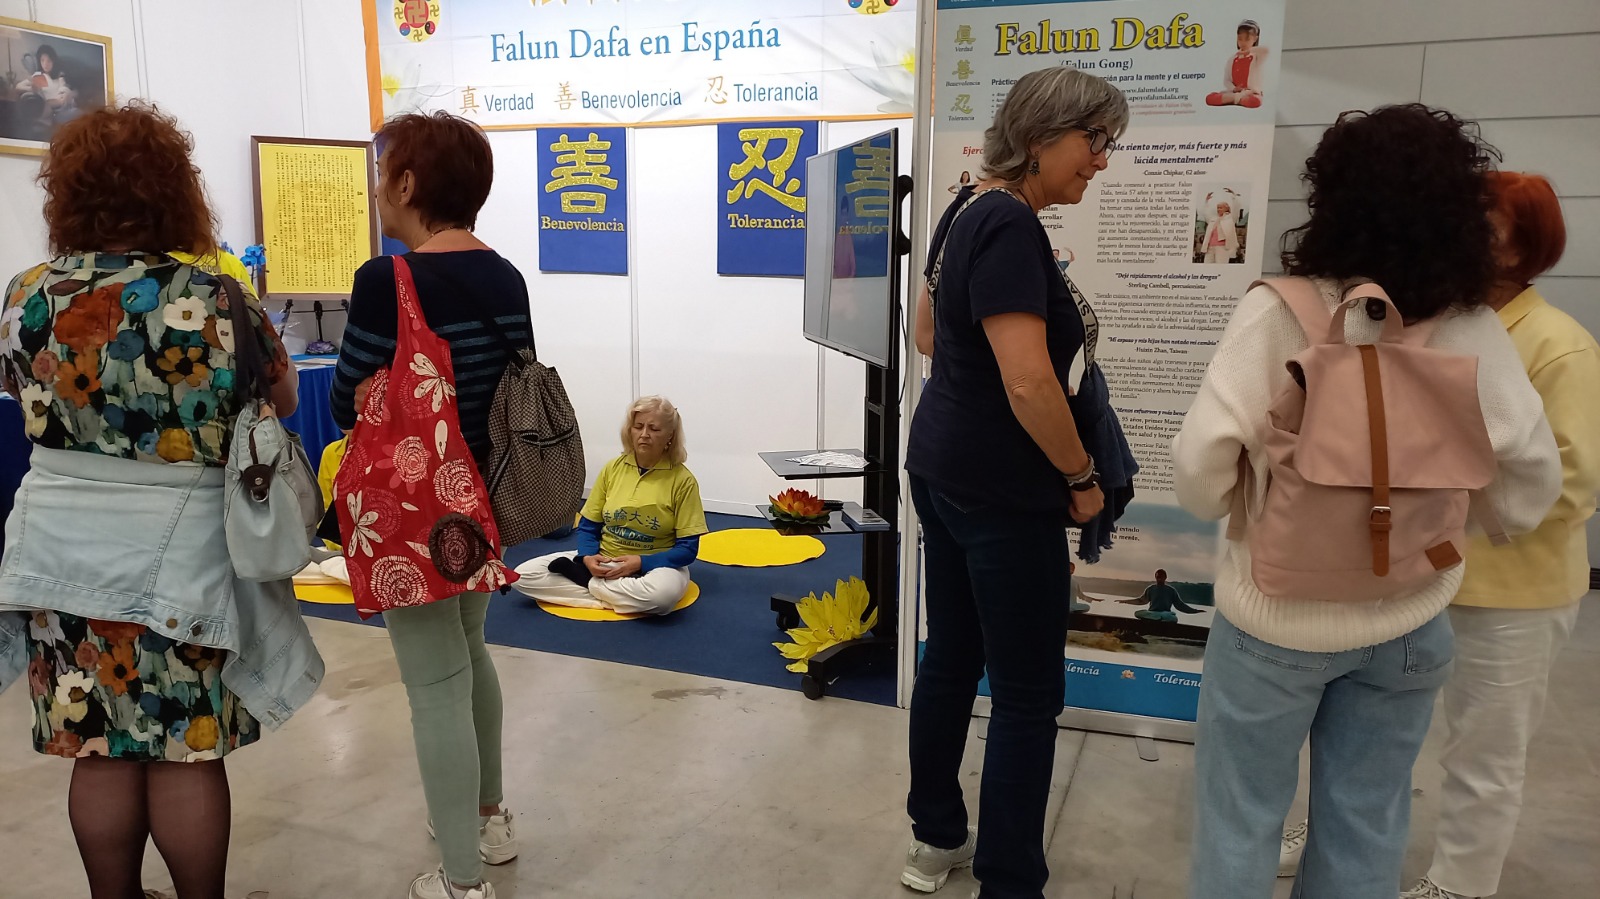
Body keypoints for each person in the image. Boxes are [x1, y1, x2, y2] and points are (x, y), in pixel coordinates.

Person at [1173, 105, 1561, 899]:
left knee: (1239, 822)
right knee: (1366, 823)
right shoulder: (1473, 328)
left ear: (1332, 197)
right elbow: (1531, 482)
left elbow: (1199, 473)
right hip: (1410, 618)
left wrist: (1242, 499)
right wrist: (1453, 516)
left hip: (1275, 621)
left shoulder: (1280, 312)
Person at [0, 101, 321, 899]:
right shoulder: (217, 298)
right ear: (174, 191)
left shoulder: (26, 295)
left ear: (68, 194)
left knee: (97, 744)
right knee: (185, 748)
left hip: (59, 555)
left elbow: (21, 394)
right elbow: (281, 400)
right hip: (185, 560)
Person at [1275, 174, 1600, 898]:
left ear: (1522, 245)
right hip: (1413, 576)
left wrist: (1442, 504)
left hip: (1510, 592)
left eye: (1486, 220)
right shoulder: (1439, 319)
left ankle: (1462, 881)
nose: (1462, 228)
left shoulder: (1559, 344)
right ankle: (1327, 834)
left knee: (1485, 747)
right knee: (1362, 733)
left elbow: (1573, 480)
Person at [903, 66, 1125, 899]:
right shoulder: (1009, 225)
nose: (1100, 160)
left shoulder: (965, 205)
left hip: (942, 467)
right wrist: (1082, 475)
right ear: (1040, 138)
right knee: (1028, 694)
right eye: (1093, 141)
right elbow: (1030, 381)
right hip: (1001, 490)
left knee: (952, 656)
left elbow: (929, 334)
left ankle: (935, 839)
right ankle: (1008, 880)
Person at [330, 111, 532, 899]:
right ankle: (488, 817)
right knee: (471, 652)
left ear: (408, 183)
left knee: (434, 685)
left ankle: (461, 880)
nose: (378, 188)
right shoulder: (507, 275)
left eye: (384, 173)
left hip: (414, 511)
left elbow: (346, 399)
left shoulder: (385, 280)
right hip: (481, 501)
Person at [514, 396, 708, 616]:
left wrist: (640, 563)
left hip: (656, 565)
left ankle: (585, 582)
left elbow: (687, 550)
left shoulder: (683, 481)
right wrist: (588, 556)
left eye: (654, 429)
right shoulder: (612, 468)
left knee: (661, 597)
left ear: (670, 435)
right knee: (522, 576)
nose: (644, 434)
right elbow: (589, 526)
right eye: (638, 426)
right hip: (605, 558)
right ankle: (616, 595)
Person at [14, 45, 80, 129]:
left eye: (49, 61)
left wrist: (69, 94)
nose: (45, 64)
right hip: (49, 110)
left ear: (53, 61)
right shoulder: (38, 76)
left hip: (64, 107)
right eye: (42, 60)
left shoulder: (60, 75)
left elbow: (66, 93)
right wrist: (31, 89)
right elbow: (18, 87)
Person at [1205, 20, 1268, 108]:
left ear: (1255, 39)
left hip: (1250, 93)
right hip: (1234, 92)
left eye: (1247, 39)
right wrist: (1234, 89)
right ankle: (1238, 99)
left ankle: (1232, 99)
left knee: (1255, 101)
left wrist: (1249, 51)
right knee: (1209, 98)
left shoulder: (1257, 57)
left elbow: (1266, 50)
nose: (1243, 42)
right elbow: (1226, 80)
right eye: (1240, 39)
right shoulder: (1232, 59)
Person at [1118, 569, 1202, 622]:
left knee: (1173, 618)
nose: (1159, 579)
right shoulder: (1151, 589)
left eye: (1161, 577)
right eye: (1158, 577)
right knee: (1137, 613)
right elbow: (1141, 601)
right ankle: (1156, 617)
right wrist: (1125, 601)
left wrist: (1195, 611)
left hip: (1165, 614)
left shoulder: (1171, 590)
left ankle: (1158, 617)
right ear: (1155, 577)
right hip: (1152, 613)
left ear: (1165, 577)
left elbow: (1180, 605)